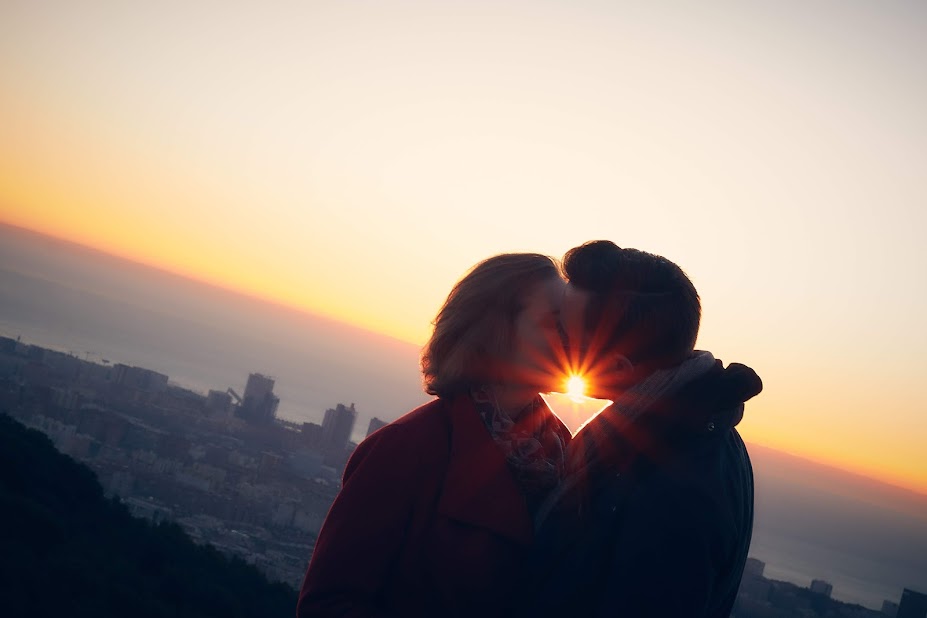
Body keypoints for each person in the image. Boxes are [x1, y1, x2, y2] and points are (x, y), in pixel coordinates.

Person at [297, 253, 571, 618]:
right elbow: (329, 606)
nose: (574, 337)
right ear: (496, 331)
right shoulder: (404, 449)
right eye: (556, 323)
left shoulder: (564, 450)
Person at [527, 240, 762, 617]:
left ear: (618, 368)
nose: (550, 334)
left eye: (562, 329)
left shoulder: (680, 491)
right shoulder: (690, 431)